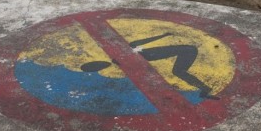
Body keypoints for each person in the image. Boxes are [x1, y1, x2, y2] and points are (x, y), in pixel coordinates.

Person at [81, 32, 218, 100]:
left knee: (178, 72)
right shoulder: (121, 62)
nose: (99, 66)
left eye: (96, 66)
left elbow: (145, 40)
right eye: (96, 67)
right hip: (186, 51)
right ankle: (205, 89)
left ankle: (205, 89)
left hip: (187, 50)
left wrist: (164, 35)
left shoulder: (128, 50)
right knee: (178, 72)